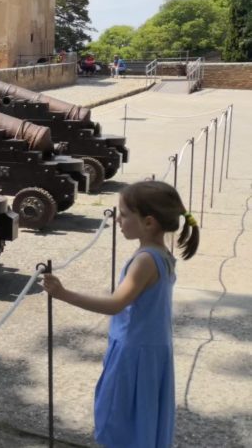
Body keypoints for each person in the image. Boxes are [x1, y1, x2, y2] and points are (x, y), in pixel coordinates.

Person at [41, 181, 200, 448]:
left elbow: (116, 304)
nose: (118, 220)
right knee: (143, 417)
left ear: (149, 222)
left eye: (124, 215)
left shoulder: (145, 261)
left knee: (117, 419)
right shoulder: (162, 254)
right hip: (152, 350)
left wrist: (63, 293)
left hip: (134, 354)